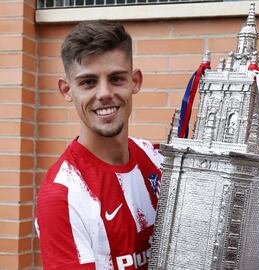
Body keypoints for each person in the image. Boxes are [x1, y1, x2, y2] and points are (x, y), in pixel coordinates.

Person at [35, 21, 163, 270]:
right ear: (66, 90)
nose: (104, 93)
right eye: (88, 82)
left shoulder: (159, 160)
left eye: (116, 78)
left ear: (135, 81)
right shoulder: (61, 195)